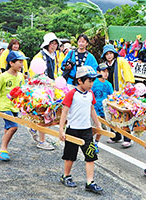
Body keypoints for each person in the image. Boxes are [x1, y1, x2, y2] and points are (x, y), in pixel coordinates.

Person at [59, 65, 103, 194]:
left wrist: (98, 124)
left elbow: (92, 109)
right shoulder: (72, 94)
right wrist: (61, 129)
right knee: (70, 156)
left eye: (92, 81)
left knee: (91, 156)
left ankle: (90, 182)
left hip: (86, 130)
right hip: (73, 130)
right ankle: (66, 175)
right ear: (80, 81)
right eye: (89, 81)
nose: (91, 84)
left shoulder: (90, 94)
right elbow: (64, 112)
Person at [0, 51, 28, 161]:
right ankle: (3, 149)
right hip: (5, 106)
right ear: (11, 63)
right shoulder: (3, 77)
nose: (22, 64)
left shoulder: (20, 76)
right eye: (19, 62)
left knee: (8, 128)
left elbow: (22, 92)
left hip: (15, 107)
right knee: (14, 127)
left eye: (22, 62)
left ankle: (4, 149)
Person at [28, 32, 62, 150]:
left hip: (52, 87)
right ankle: (42, 141)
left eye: (55, 44)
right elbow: (34, 73)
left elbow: (56, 71)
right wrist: (45, 81)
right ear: (47, 44)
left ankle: (34, 128)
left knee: (50, 113)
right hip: (42, 89)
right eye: (52, 43)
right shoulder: (40, 56)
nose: (54, 46)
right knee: (44, 114)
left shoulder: (55, 56)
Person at [101, 44, 135, 147]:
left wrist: (129, 84)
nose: (109, 56)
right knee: (112, 114)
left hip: (121, 92)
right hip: (110, 93)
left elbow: (127, 73)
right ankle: (116, 135)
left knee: (124, 116)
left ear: (114, 54)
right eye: (107, 54)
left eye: (110, 53)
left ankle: (127, 138)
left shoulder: (121, 61)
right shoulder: (105, 65)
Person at [91, 63, 114, 153]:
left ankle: (95, 143)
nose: (106, 73)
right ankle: (89, 142)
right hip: (94, 110)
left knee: (101, 129)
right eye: (103, 71)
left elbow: (111, 96)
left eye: (107, 71)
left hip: (104, 111)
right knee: (95, 127)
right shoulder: (94, 83)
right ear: (98, 72)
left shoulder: (108, 85)